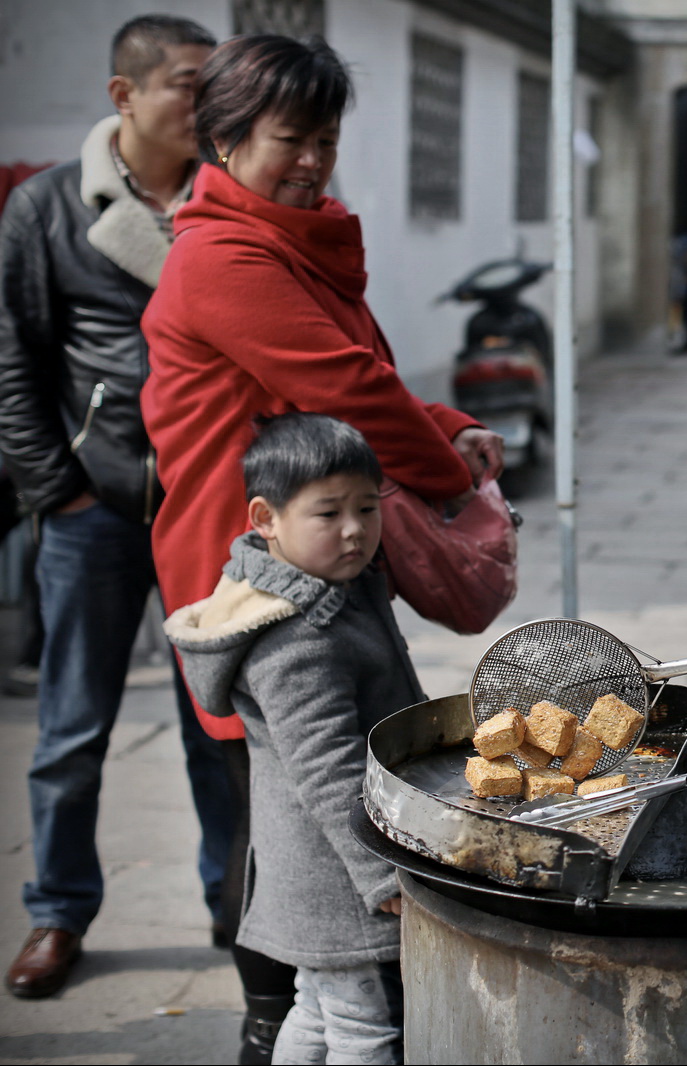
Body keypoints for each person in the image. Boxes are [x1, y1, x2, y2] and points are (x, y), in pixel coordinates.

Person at [140, 34, 500, 1061]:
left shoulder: (288, 236)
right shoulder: (222, 254)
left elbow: (356, 367)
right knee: (280, 806)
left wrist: (437, 422)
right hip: (252, 573)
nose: (311, 161)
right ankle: (270, 1015)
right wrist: (443, 477)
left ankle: (297, 1012)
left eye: (325, 139)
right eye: (289, 140)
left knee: (317, 782)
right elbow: (344, 388)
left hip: (319, 552)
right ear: (223, 137)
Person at [0, 14, 235, 1000]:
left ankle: (241, 904)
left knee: (218, 719)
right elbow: (15, 358)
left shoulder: (237, 195)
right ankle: (57, 912)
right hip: (94, 509)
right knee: (71, 725)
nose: (208, 103)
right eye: (189, 83)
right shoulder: (50, 207)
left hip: (214, 503)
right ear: (123, 96)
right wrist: (55, 489)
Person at [167, 413, 413, 1066]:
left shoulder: (338, 586)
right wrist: (380, 874)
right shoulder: (296, 638)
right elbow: (327, 771)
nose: (356, 530)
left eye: (368, 507)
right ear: (264, 518)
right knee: (369, 1027)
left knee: (318, 1008)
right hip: (337, 871)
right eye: (328, 513)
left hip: (320, 864)